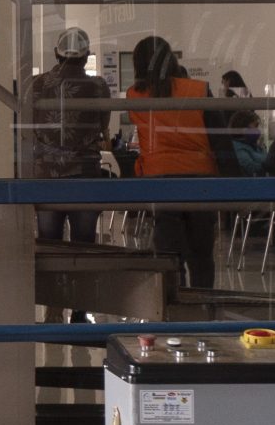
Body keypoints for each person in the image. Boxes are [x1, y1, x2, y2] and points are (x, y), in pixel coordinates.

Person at [127, 35, 218, 291]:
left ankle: (173, 308)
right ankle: (203, 307)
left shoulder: (134, 95)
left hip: (161, 180)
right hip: (200, 180)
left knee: (169, 255)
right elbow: (218, 138)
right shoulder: (198, 90)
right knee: (201, 255)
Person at [24, 27, 112, 242]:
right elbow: (103, 124)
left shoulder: (36, 84)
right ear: (86, 56)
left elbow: (27, 127)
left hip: (46, 175)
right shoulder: (98, 86)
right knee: (84, 241)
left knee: (48, 240)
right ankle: (84, 276)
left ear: (56, 52)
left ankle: (53, 277)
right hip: (85, 175)